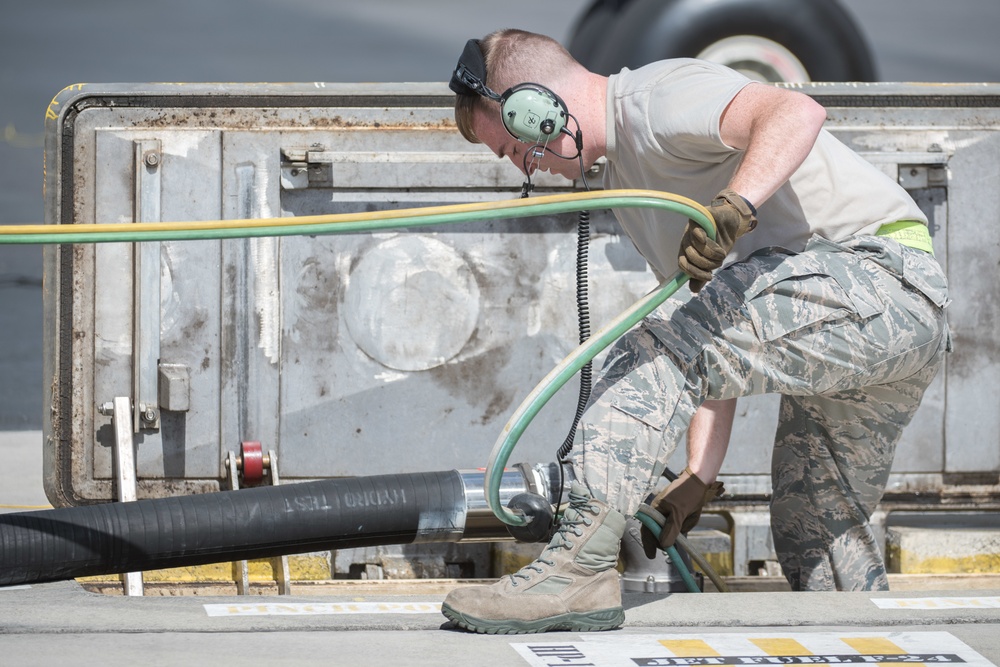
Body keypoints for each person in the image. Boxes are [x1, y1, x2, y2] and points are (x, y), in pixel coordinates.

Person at [441, 29, 950, 634]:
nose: (531, 169)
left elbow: (794, 111)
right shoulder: (629, 187)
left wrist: (734, 206)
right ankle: (874, 639)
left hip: (877, 278)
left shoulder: (655, 100)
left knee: (647, 349)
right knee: (816, 518)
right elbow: (713, 334)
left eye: (516, 149)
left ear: (536, 109)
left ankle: (574, 572)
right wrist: (699, 476)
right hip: (881, 316)